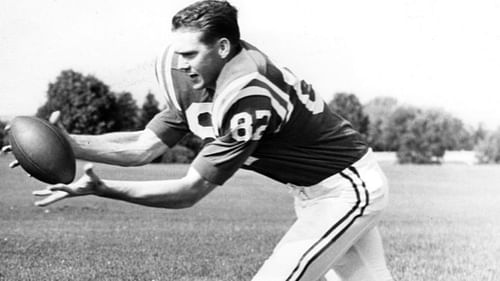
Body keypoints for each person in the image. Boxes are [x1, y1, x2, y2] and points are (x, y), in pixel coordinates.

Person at [3, 1, 393, 280]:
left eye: (191, 53)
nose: (181, 62)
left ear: (223, 48)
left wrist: (104, 189)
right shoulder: (192, 72)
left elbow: (190, 190)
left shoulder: (249, 96)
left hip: (346, 190)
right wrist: (66, 143)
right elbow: (144, 145)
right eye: (178, 52)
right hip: (314, 191)